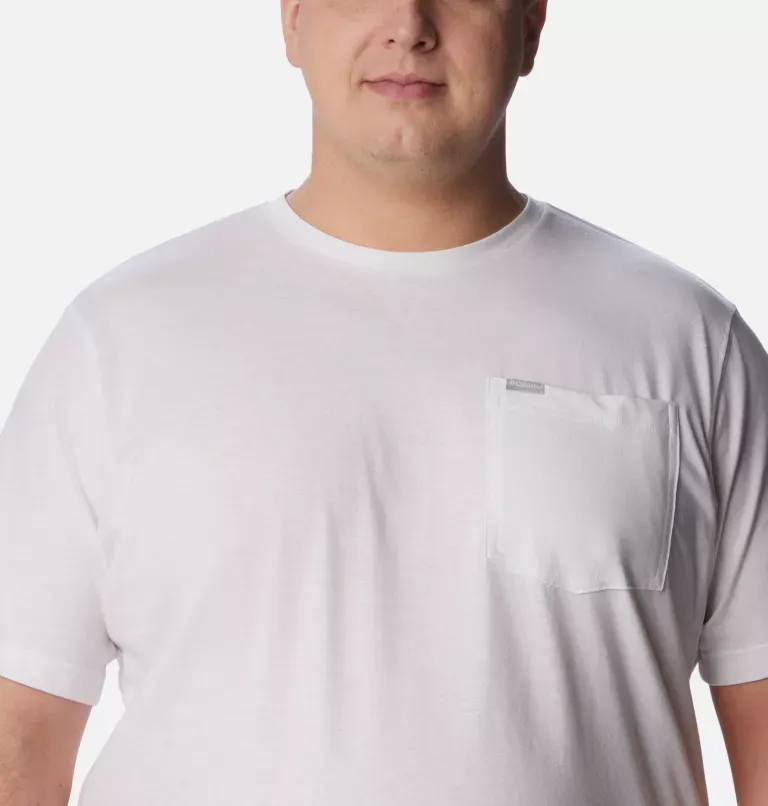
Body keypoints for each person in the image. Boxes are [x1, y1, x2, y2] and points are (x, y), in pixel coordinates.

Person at [1, 0, 766, 803]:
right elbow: (19, 736)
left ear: (531, 25)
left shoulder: (688, 343)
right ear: (292, 19)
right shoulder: (119, 342)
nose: (408, 24)